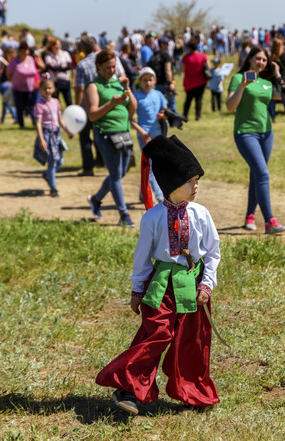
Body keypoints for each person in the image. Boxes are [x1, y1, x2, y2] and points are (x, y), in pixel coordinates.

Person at [95, 134, 221, 415]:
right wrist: (137, 290)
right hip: (161, 286)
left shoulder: (201, 214)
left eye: (197, 180)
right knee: (155, 334)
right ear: (173, 184)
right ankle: (129, 390)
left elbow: (213, 251)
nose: (196, 186)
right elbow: (142, 257)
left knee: (193, 341)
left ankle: (194, 393)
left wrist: (207, 284)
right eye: (191, 181)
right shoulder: (152, 217)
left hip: (193, 284)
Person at [226, 45, 285, 235]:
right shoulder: (238, 78)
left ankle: (249, 216)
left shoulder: (267, 83)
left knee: (257, 175)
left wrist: (277, 73)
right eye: (258, 58)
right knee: (263, 174)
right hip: (245, 133)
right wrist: (243, 85)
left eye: (264, 59)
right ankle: (270, 221)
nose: (261, 62)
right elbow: (230, 106)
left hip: (266, 133)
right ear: (250, 59)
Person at [85, 50, 137, 227]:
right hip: (105, 133)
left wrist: (127, 89)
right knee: (115, 175)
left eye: (114, 66)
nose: (112, 70)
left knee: (121, 172)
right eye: (108, 67)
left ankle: (97, 199)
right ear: (98, 66)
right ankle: (124, 215)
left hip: (124, 133)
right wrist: (111, 103)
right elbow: (92, 115)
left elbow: (132, 108)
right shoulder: (94, 86)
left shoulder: (118, 83)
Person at [75, 34, 126, 176]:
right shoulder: (109, 57)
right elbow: (122, 76)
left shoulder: (82, 64)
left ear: (83, 49)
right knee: (101, 132)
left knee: (85, 137)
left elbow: (79, 88)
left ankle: (88, 167)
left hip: (88, 106)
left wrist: (77, 106)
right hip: (107, 105)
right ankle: (101, 161)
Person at [130, 66, 167, 203]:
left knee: (153, 165)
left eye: (150, 80)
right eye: (145, 80)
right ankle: (160, 198)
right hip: (144, 136)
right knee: (152, 166)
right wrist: (142, 132)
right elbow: (130, 119)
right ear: (140, 81)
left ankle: (142, 194)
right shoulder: (136, 97)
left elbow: (166, 112)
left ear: (155, 80)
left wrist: (163, 115)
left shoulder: (159, 95)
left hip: (158, 134)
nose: (148, 83)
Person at [33, 77, 73, 197]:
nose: (47, 90)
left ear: (54, 89)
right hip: (46, 135)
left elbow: (60, 119)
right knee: (52, 162)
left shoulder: (56, 102)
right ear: (40, 90)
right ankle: (53, 188)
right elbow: (38, 123)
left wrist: (67, 131)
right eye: (45, 88)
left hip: (56, 134)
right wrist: (41, 139)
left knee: (59, 161)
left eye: (50, 88)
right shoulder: (39, 104)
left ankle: (48, 176)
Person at [6, 41, 38, 129]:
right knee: (20, 107)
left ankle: (35, 124)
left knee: (32, 107)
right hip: (18, 88)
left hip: (30, 88)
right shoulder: (14, 61)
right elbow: (8, 73)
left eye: (26, 51)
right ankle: (21, 124)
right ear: (19, 51)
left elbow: (35, 71)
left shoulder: (31, 59)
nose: (25, 53)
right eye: (23, 51)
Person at [181, 38, 209, 121]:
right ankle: (198, 116)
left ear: (189, 47)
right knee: (199, 100)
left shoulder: (186, 57)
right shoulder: (203, 56)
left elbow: (182, 69)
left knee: (188, 100)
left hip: (189, 82)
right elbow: (208, 67)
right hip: (201, 81)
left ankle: (185, 116)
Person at [268, 38, 285, 123]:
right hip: (284, 80)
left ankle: (272, 118)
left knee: (272, 100)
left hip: (273, 81)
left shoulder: (270, 57)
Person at [148, 37, 176, 111]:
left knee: (159, 106)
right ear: (162, 45)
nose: (168, 45)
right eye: (166, 44)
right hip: (165, 84)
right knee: (171, 104)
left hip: (155, 85)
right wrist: (170, 83)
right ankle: (173, 121)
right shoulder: (166, 55)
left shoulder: (153, 55)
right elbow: (168, 70)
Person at [44, 38, 73, 106]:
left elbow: (69, 67)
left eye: (58, 44)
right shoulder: (48, 56)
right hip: (54, 82)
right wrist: (62, 66)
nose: (57, 46)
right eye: (55, 45)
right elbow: (52, 68)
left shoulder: (65, 54)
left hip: (65, 81)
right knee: (55, 102)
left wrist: (57, 67)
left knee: (69, 102)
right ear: (51, 46)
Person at [0, 46, 17, 123]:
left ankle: (3, 119)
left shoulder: (11, 62)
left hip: (8, 84)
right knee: (7, 102)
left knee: (6, 102)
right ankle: (16, 117)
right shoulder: (3, 62)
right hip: (4, 84)